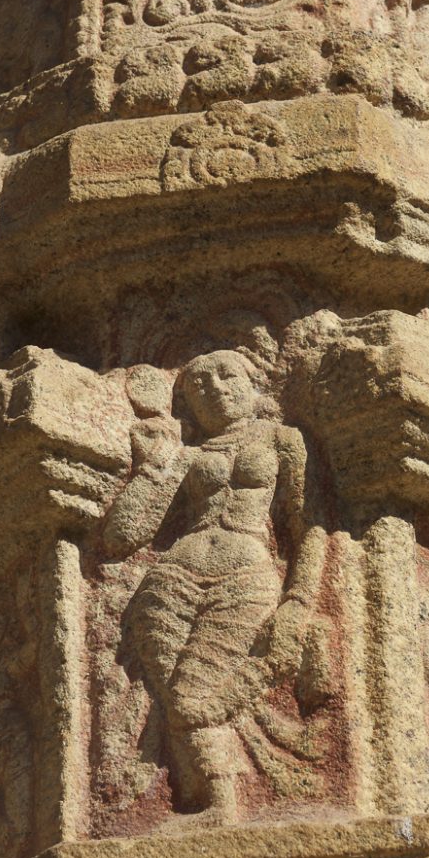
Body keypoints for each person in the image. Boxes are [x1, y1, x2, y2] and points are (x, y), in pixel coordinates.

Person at [102, 350, 321, 818]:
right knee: (171, 697)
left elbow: (309, 525)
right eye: (198, 384)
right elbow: (122, 535)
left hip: (243, 575)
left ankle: (222, 803)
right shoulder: (188, 456)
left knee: (191, 697)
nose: (215, 388)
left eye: (226, 375)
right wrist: (152, 466)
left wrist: (298, 600)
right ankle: (202, 801)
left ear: (254, 384)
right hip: (172, 580)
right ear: (188, 405)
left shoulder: (283, 439)